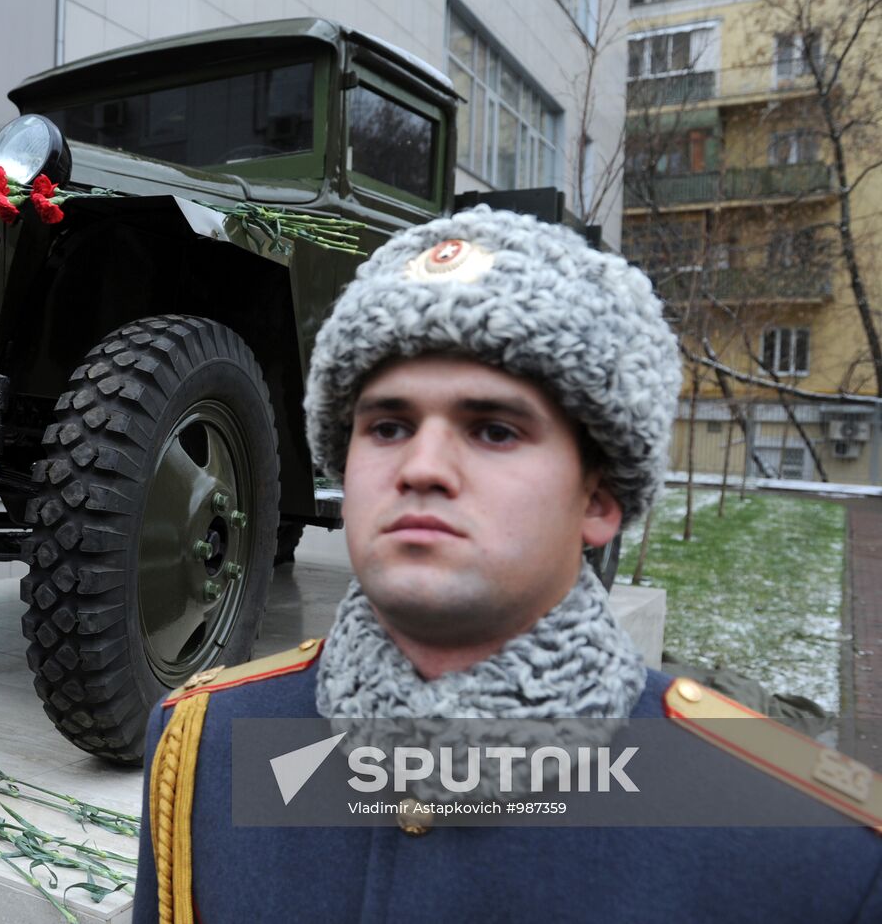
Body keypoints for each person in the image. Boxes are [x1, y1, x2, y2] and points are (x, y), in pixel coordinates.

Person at [131, 207, 882, 923]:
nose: (422, 466)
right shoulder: (213, 746)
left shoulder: (803, 840)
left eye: (492, 429)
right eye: (388, 424)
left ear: (600, 497)